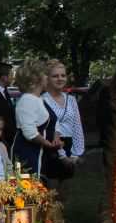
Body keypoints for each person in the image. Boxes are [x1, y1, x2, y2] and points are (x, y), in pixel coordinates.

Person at [10, 59, 61, 178]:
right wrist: (50, 145)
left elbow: (55, 122)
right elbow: (30, 132)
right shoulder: (27, 100)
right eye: (45, 74)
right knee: (27, 192)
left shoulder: (40, 98)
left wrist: (56, 138)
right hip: (27, 154)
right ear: (36, 78)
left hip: (41, 154)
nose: (47, 77)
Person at [42, 60, 84, 202]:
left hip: (69, 145)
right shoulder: (42, 100)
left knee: (64, 192)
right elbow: (50, 128)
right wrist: (61, 155)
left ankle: (59, 222)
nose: (60, 79)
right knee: (51, 194)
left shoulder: (71, 100)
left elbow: (77, 126)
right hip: (52, 147)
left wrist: (76, 154)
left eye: (63, 75)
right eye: (55, 76)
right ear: (47, 79)